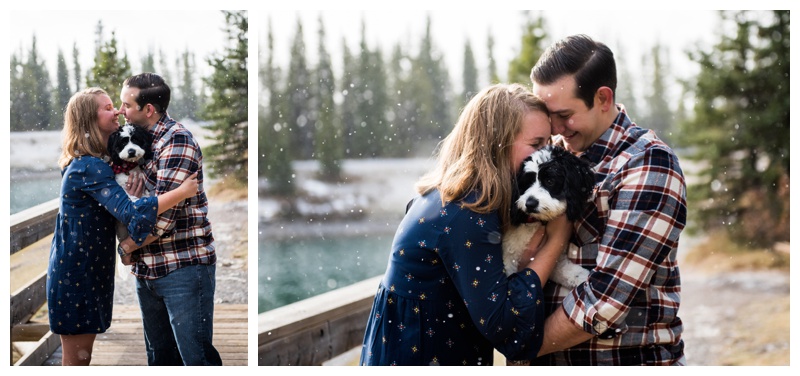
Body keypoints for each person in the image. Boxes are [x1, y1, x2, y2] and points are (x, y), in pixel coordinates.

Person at [359, 83, 573, 366]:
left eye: (549, 144)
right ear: (497, 143)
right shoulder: (468, 212)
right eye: (537, 144)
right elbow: (505, 328)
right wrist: (557, 239)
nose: (547, 156)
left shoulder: (452, 195)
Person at [529, 34, 687, 365]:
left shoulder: (647, 164)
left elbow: (606, 301)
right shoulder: (551, 155)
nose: (556, 128)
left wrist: (522, 344)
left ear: (603, 98)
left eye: (565, 114)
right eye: (548, 114)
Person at [47, 87, 199, 366]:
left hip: (88, 270)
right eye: (107, 107)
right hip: (76, 275)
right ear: (89, 120)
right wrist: (182, 192)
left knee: (83, 358)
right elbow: (129, 212)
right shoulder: (88, 166)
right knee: (77, 362)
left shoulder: (96, 163)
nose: (116, 111)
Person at [117, 72, 222, 366]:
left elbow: (163, 220)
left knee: (196, 358)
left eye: (126, 105)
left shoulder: (176, 141)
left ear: (148, 110)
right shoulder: (138, 139)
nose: (120, 111)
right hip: (147, 268)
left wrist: (126, 247)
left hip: (182, 267)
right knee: (161, 360)